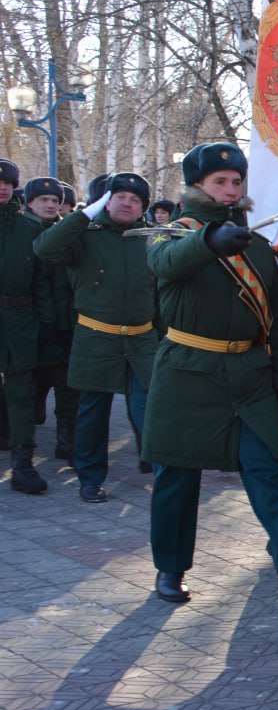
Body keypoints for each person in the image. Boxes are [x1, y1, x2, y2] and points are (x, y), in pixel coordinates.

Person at [139, 142, 278, 605]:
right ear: (196, 186)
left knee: (266, 467)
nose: (231, 190)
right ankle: (170, 568)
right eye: (220, 183)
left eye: (237, 182)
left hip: (247, 373)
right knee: (177, 474)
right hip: (187, 372)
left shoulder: (254, 244)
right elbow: (164, 264)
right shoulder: (170, 234)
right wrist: (207, 242)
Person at [34, 172, 159, 503]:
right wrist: (84, 213)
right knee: (93, 413)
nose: (127, 203)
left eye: (135, 200)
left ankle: (163, 471)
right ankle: (90, 478)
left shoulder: (150, 237)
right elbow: (45, 249)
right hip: (96, 337)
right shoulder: (85, 234)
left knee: (150, 408)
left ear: (142, 207)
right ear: (106, 200)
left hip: (143, 339)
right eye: (120, 196)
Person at [1, 161, 54, 494]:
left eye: (9, 183)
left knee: (22, 393)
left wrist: (45, 327)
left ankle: (23, 462)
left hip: (20, 320)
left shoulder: (28, 229)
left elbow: (43, 284)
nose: (3, 187)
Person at [24, 178, 78, 462]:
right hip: (30, 322)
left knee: (68, 385)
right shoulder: (21, 231)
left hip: (66, 321)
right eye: (43, 199)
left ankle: (66, 439)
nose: (50, 205)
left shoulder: (67, 233)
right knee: (33, 381)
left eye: (55, 201)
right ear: (30, 202)